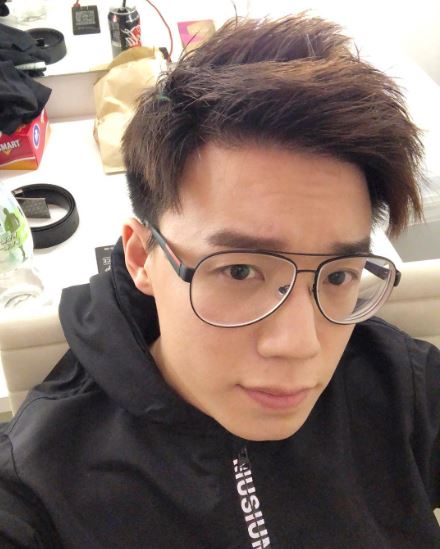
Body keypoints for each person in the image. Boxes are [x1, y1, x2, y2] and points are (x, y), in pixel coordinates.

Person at [0, 13, 439, 548]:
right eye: (239, 270)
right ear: (141, 257)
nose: (300, 345)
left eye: (339, 275)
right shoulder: (40, 485)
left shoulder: (400, 386)